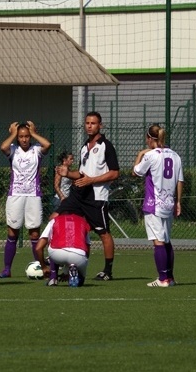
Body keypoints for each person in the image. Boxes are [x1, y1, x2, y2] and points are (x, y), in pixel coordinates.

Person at [54, 111, 119, 281]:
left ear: (100, 125)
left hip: (96, 197)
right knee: (58, 219)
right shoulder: (84, 147)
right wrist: (67, 173)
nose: (89, 126)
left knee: (103, 233)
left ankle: (108, 271)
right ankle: (65, 268)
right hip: (78, 196)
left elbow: (114, 173)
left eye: (93, 123)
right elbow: (82, 175)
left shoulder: (106, 146)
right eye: (87, 123)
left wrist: (92, 180)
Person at [132, 124, 184, 287]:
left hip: (154, 203)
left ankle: (162, 279)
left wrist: (140, 154)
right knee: (166, 240)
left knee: (158, 241)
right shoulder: (175, 155)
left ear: (149, 139)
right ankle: (170, 277)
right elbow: (180, 180)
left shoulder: (151, 155)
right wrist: (178, 201)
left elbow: (136, 172)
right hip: (168, 202)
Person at [0, 121, 51, 278]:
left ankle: (40, 267)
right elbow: (3, 147)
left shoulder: (36, 150)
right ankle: (7, 269)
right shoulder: (13, 150)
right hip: (15, 195)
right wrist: (13, 134)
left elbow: (47, 145)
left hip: (33, 195)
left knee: (34, 234)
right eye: (21, 136)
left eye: (26, 136)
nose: (24, 139)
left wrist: (34, 132)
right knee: (12, 233)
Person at [35, 213, 91, 287]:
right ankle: (73, 269)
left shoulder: (54, 220)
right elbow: (87, 248)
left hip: (57, 253)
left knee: (52, 240)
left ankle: (53, 277)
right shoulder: (83, 221)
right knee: (80, 282)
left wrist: (44, 267)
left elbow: (38, 248)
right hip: (78, 256)